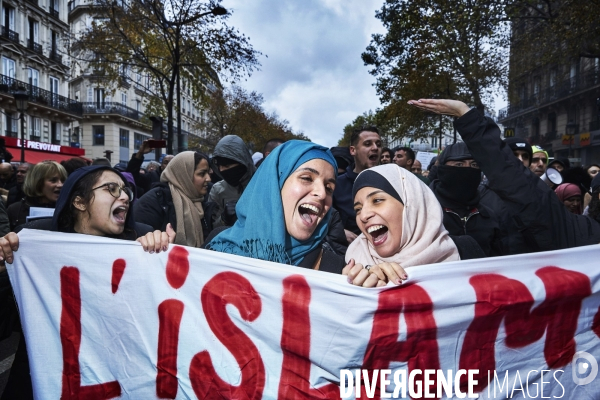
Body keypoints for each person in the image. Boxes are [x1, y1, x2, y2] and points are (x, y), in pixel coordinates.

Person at [0, 165, 175, 399]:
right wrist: (4, 269)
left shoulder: (139, 241)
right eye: (111, 189)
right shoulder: (35, 243)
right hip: (46, 381)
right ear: (80, 202)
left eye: (125, 190)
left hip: (118, 382)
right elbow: (5, 324)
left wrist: (163, 256)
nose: (124, 196)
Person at [408, 98, 600, 252]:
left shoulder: (579, 234)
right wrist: (468, 119)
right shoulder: (424, 210)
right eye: (459, 164)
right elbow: (519, 184)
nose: (521, 160)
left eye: (473, 164)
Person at [206, 140, 345, 273]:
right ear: (275, 184)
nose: (321, 193)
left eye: (329, 188)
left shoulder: (334, 268)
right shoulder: (218, 245)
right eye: (307, 178)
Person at [343, 164, 483, 288]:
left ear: (411, 205)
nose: (363, 215)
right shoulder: (353, 264)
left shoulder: (465, 250)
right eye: (358, 209)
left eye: (377, 200)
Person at [430, 142, 502, 257]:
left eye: (474, 165)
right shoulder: (424, 213)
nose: (468, 170)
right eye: (459, 165)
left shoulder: (488, 216)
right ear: (442, 169)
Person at [134, 151, 214, 248]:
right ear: (184, 175)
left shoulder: (202, 201)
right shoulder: (155, 200)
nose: (208, 179)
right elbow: (139, 240)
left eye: (208, 173)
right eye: (202, 174)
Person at [333, 126, 382, 243]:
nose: (375, 148)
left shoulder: (392, 182)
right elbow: (323, 220)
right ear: (353, 150)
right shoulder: (336, 186)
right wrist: (339, 232)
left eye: (378, 144)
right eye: (367, 144)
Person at [210, 135, 256, 227]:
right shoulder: (217, 190)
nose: (222, 170)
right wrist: (223, 219)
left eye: (227, 166)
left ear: (242, 163)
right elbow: (211, 228)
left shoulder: (262, 184)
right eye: (219, 166)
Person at [7, 161, 67, 231]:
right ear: (38, 182)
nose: (60, 185)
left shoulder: (69, 210)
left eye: (63, 180)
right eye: (53, 180)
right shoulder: (15, 209)